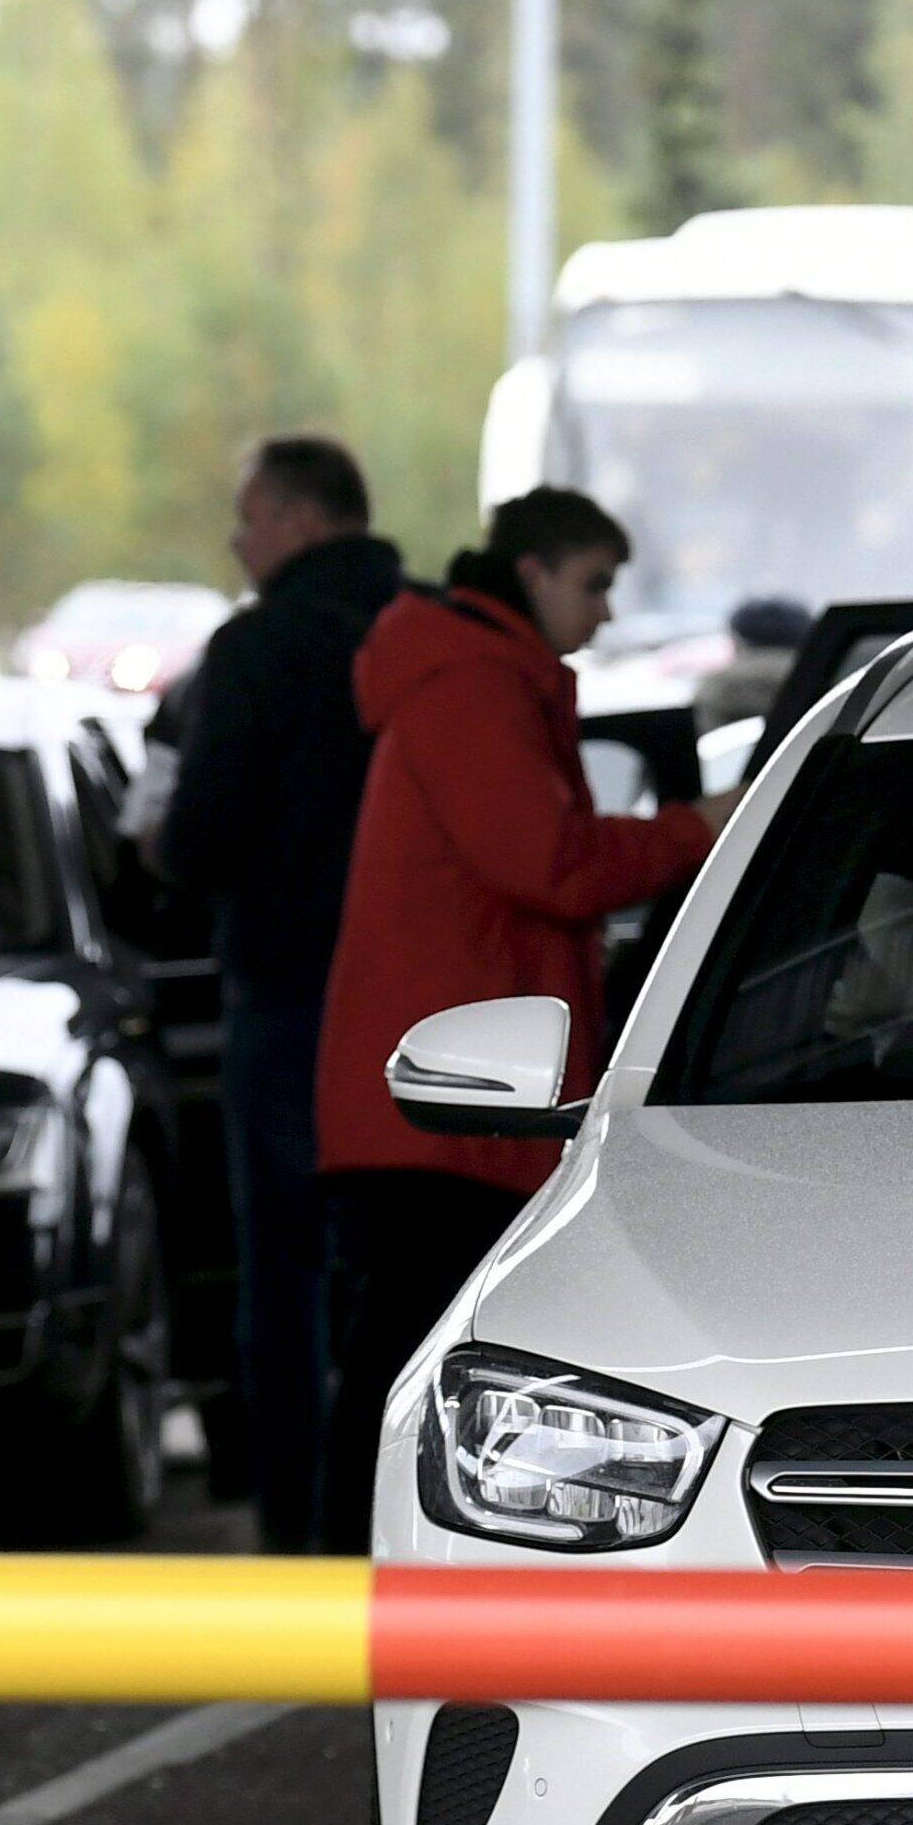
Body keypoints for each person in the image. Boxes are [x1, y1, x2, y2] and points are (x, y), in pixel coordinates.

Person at [312, 487, 722, 1549]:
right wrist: (697, 830)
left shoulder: (477, 677)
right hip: (447, 1099)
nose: (602, 611)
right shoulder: (471, 686)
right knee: (408, 1377)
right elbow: (550, 863)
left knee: (404, 1364)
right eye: (592, 583)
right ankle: (351, 1595)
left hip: (448, 1085)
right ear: (533, 572)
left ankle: (349, 1594)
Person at [156, 435, 407, 1551]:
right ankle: (399, 1523)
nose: (236, 537)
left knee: (286, 1279)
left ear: (303, 521)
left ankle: (300, 1541)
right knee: (404, 1270)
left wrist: (163, 845)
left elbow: (200, 837)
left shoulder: (260, 647)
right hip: (425, 1007)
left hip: (291, 994)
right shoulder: (435, 632)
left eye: (249, 515)